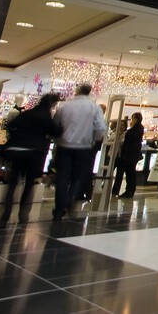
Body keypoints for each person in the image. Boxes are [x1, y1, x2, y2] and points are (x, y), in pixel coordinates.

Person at [0, 93, 61, 224]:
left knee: (13, 182)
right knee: (29, 183)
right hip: (34, 152)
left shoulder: (27, 113)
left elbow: (11, 125)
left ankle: (6, 211)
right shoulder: (45, 117)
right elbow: (55, 132)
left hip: (17, 150)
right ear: (52, 104)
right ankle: (23, 212)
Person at [52, 83, 107, 220]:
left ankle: (59, 209)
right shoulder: (94, 107)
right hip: (84, 147)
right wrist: (93, 140)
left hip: (64, 146)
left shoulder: (64, 106)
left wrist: (57, 140)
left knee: (62, 177)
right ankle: (71, 198)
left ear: (77, 91)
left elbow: (55, 125)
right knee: (78, 176)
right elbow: (100, 128)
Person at [112, 112, 144, 199]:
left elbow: (133, 141)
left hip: (131, 155)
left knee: (130, 173)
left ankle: (130, 190)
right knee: (129, 173)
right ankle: (128, 190)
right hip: (129, 155)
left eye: (133, 118)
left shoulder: (137, 129)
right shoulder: (136, 129)